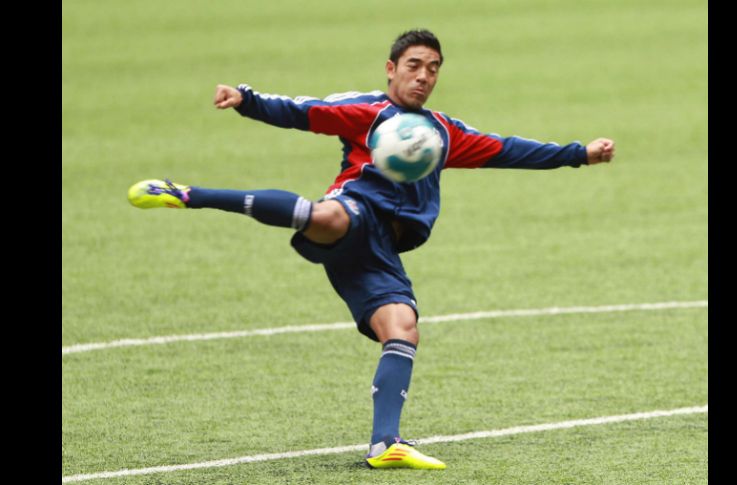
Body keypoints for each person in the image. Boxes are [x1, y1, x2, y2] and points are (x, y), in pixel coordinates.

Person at [128, 29, 615, 470]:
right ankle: (189, 195)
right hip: (355, 212)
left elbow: (510, 149)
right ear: (391, 68)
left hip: (384, 250)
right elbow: (303, 111)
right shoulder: (368, 112)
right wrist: (246, 100)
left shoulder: (444, 134)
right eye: (414, 66)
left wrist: (580, 154)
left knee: (403, 327)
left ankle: (385, 444)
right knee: (329, 215)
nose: (424, 77)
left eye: (433, 68)